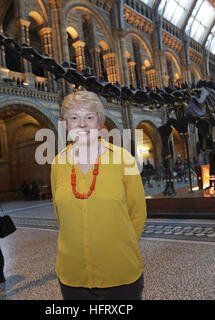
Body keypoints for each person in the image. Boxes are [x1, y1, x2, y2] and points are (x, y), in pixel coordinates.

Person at [51, 91, 146, 300]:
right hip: (72, 277)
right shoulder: (57, 164)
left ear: (99, 122)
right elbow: (60, 215)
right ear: (66, 123)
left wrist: (121, 246)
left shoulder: (124, 159)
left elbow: (137, 213)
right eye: (74, 117)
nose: (82, 124)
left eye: (89, 117)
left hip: (120, 273)